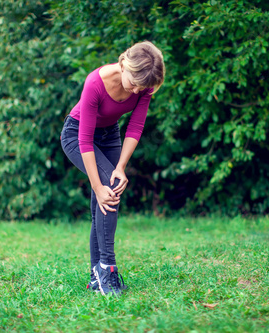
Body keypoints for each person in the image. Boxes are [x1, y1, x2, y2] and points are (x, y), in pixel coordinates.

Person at [60, 41, 165, 296]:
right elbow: (84, 139)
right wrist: (97, 186)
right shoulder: (95, 83)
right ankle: (108, 268)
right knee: (106, 191)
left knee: (110, 191)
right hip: (77, 135)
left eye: (143, 86)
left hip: (110, 136)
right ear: (123, 65)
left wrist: (120, 167)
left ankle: (98, 276)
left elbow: (135, 127)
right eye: (134, 83)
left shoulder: (144, 85)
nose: (137, 89)